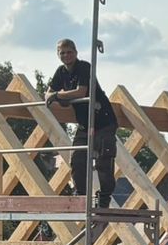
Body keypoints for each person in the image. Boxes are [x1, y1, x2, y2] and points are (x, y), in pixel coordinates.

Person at [44, 38, 117, 208]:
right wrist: (56, 95)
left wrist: (58, 96)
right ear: (58, 54)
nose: (66, 55)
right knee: (77, 160)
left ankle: (104, 198)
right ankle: (82, 197)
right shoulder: (61, 72)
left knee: (103, 161)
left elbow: (81, 91)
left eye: (69, 52)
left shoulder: (84, 67)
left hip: (103, 121)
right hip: (85, 124)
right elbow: (48, 93)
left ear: (76, 53)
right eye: (62, 53)